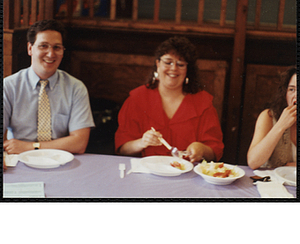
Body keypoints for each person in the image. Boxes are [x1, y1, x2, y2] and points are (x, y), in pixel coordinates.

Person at [115, 36, 224, 163]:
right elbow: (122, 149)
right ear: (157, 64)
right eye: (168, 62)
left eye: (181, 64)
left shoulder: (203, 103)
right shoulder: (137, 98)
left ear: (188, 70)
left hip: (189, 176)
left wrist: (201, 149)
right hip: (147, 174)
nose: (173, 68)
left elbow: (215, 152)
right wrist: (141, 143)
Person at [3, 19, 95, 155]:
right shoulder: (8, 86)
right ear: (30, 48)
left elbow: (79, 143)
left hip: (60, 161)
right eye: (43, 46)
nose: (51, 54)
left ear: (62, 51)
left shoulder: (76, 88)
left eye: (56, 47)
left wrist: (31, 147)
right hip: (19, 160)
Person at [247, 66, 297, 169]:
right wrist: (281, 125)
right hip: (270, 183)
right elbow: (253, 162)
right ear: (285, 93)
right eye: (291, 89)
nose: (296, 95)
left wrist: (291, 166)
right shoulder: (268, 116)